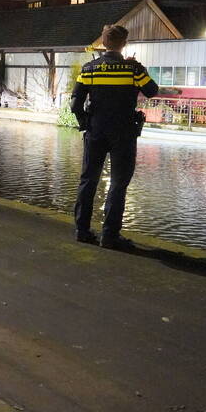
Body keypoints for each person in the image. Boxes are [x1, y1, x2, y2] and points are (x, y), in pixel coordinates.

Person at [71, 24, 158, 249]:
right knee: (118, 183)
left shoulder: (89, 69)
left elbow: (75, 104)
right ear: (124, 44)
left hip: (96, 131)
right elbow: (152, 90)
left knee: (88, 180)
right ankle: (109, 235)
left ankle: (82, 231)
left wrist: (86, 124)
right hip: (124, 133)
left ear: (103, 43)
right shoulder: (133, 70)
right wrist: (138, 66)